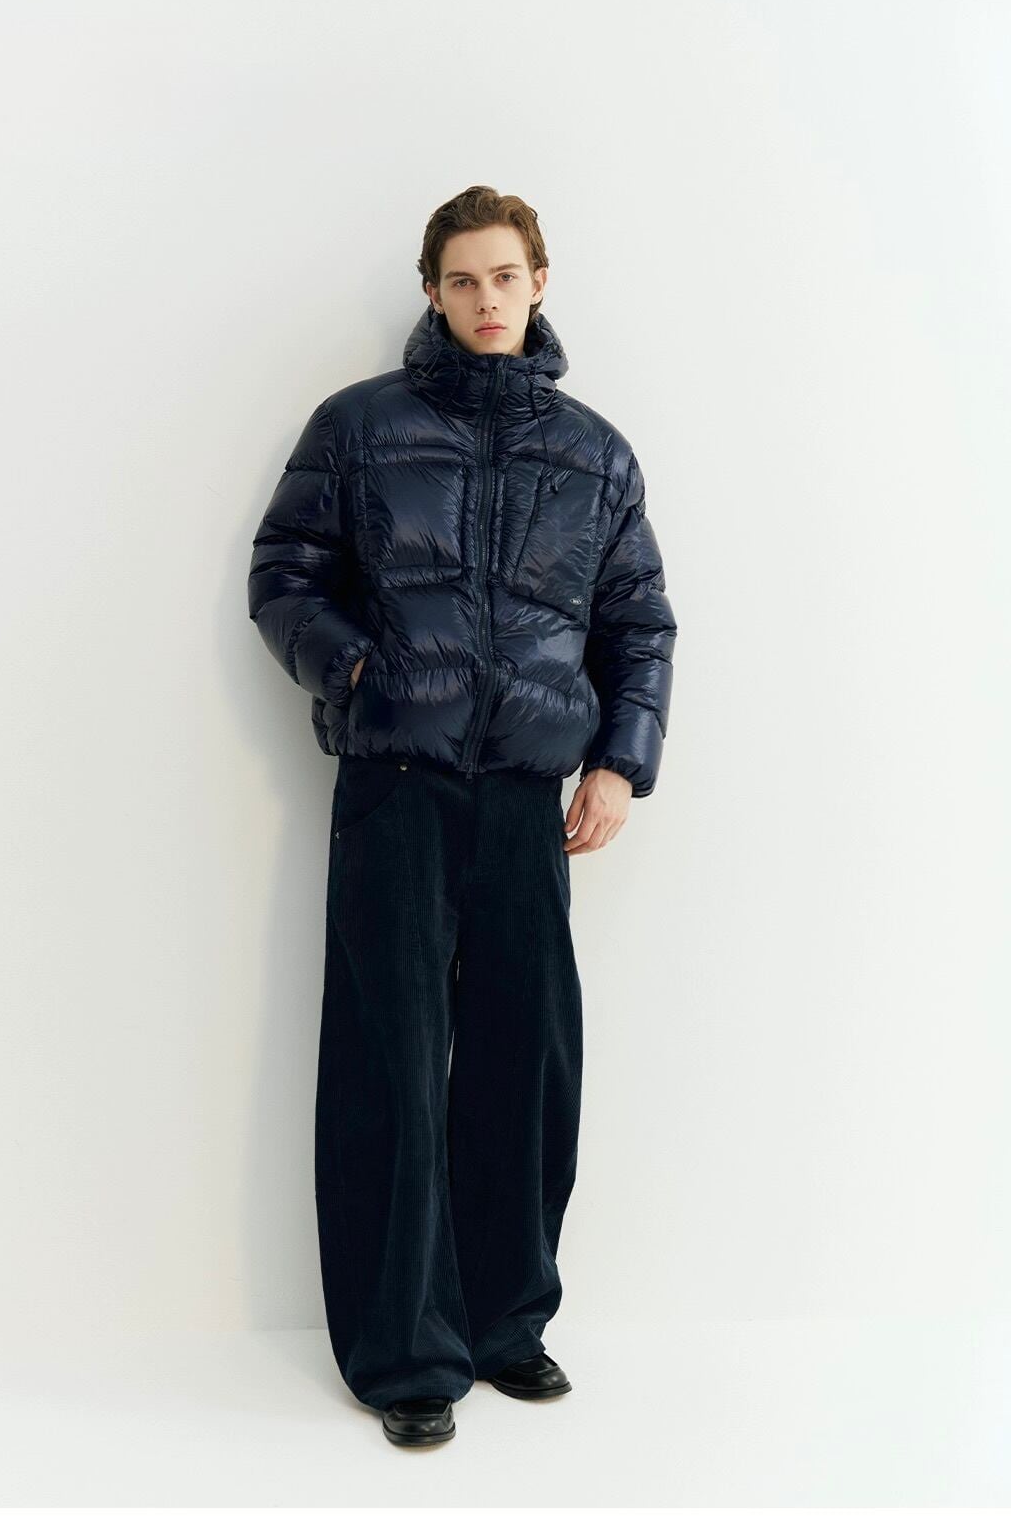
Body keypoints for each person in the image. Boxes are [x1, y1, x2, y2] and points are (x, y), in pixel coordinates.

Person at [247, 185, 677, 1447]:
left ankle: (505, 1324)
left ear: (539, 281)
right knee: (391, 1065)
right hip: (396, 785)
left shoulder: (596, 456)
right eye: (463, 280)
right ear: (432, 292)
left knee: (524, 1063)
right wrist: (357, 673)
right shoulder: (360, 427)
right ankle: (406, 1355)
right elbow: (285, 574)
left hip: (526, 799)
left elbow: (639, 623)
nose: (487, 300)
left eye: (505, 276)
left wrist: (619, 765)